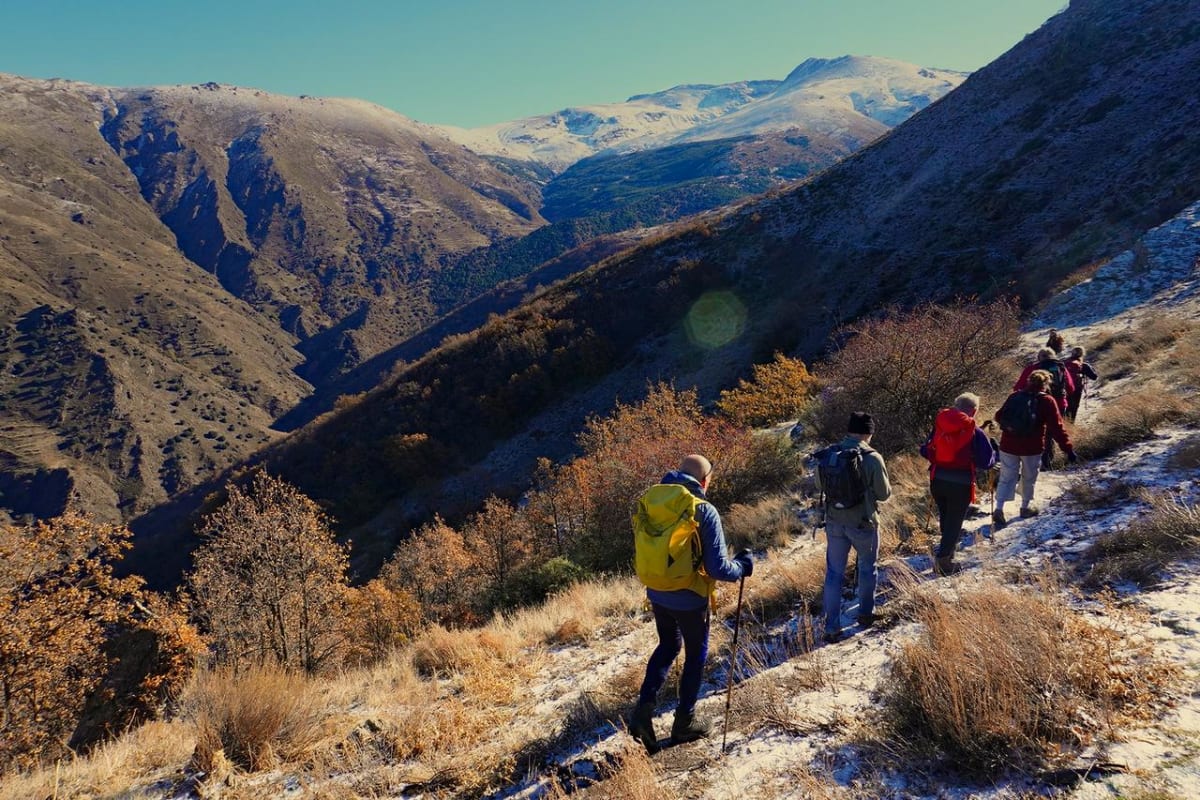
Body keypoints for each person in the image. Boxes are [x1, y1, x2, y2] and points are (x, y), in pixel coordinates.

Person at [628, 454, 752, 752]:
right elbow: (718, 569)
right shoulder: (703, 510)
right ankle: (685, 723)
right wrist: (743, 567)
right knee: (696, 654)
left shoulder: (652, 500)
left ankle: (642, 713)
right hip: (690, 596)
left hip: (657, 590)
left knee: (668, 646)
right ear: (705, 481)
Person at [813, 412, 891, 643]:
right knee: (868, 567)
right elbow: (884, 494)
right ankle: (865, 614)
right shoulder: (872, 457)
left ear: (849, 430)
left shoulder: (830, 454)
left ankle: (831, 626)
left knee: (834, 573)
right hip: (863, 523)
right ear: (869, 433)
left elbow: (820, 484)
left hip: (835, 522)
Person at [920, 394, 996, 576]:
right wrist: (994, 453)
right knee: (954, 521)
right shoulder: (974, 431)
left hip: (937, 479)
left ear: (955, 406)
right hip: (960, 483)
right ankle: (944, 561)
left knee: (946, 516)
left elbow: (925, 450)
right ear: (974, 411)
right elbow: (987, 462)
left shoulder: (940, 425)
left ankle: (947, 548)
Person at [992, 370, 1076, 530]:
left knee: (1006, 476)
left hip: (1008, 445)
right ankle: (1024, 507)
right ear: (1046, 384)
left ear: (1029, 381)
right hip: (1032, 446)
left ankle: (999, 509)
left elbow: (998, 416)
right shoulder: (1047, 401)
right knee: (1029, 476)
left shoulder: (1015, 396)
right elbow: (1057, 428)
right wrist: (1068, 448)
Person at [1013, 347, 1075, 469]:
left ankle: (1035, 461)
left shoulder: (1032, 369)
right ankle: (1048, 461)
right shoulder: (1061, 368)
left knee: (1037, 432)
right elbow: (1071, 388)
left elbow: (1018, 387)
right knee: (1052, 432)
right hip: (1059, 404)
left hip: (1036, 404)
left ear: (1039, 357)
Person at [1063, 346, 1099, 423]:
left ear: (1071, 353)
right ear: (1082, 354)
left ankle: (1062, 423)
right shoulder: (1083, 365)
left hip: (1063, 388)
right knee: (1073, 407)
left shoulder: (1064, 363)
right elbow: (1094, 377)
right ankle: (1070, 424)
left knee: (1064, 406)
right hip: (1076, 389)